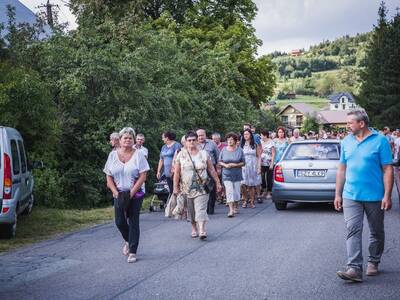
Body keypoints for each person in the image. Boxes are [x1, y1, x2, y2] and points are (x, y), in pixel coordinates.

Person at [335, 109, 393, 282]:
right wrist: (338, 193)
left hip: (375, 195)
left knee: (376, 231)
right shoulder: (346, 142)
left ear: (362, 123)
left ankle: (374, 261)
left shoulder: (380, 141)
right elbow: (342, 169)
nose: (347, 126)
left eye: (350, 123)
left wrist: (387, 195)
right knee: (353, 229)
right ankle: (354, 268)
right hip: (351, 194)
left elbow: (387, 169)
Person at [104, 127, 150, 263]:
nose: (128, 140)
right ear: (120, 139)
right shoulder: (112, 155)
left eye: (130, 138)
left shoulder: (139, 154)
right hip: (118, 193)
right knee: (119, 222)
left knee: (133, 220)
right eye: (125, 137)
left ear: (134, 140)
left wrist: (131, 192)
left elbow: (143, 176)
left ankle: (133, 251)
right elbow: (108, 177)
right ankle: (128, 240)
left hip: (135, 193)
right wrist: (115, 192)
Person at [173, 131, 222, 239]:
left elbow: (211, 169)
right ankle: (194, 228)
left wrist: (218, 182)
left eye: (193, 140)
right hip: (186, 188)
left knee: (201, 208)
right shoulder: (181, 154)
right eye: (189, 140)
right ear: (185, 142)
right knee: (191, 210)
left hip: (202, 187)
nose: (191, 142)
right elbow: (176, 173)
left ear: (197, 141)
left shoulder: (204, 153)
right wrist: (175, 187)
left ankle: (202, 229)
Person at [218, 132, 245, 217]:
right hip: (226, 174)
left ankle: (236, 204)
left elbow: (244, 162)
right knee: (229, 191)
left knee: (236, 192)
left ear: (235, 141)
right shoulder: (224, 150)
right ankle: (231, 210)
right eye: (228, 140)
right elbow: (219, 161)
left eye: (231, 140)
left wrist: (235, 165)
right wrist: (225, 165)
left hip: (237, 174)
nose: (229, 141)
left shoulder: (240, 150)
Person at [197, 129, 219, 215]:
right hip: (199, 169)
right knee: (200, 188)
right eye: (199, 135)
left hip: (211, 168)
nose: (200, 137)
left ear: (205, 135)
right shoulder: (194, 144)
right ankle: (202, 208)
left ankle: (211, 208)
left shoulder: (212, 143)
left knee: (211, 188)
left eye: (202, 135)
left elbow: (218, 156)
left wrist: (219, 168)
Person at [240, 129, 261, 208]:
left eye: (247, 134)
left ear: (250, 135)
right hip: (243, 166)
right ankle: (245, 199)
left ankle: (252, 201)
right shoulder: (241, 145)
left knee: (251, 185)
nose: (246, 136)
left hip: (253, 166)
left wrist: (259, 167)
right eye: (244, 134)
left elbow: (259, 157)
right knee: (242, 184)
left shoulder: (255, 144)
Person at [260, 129, 275, 199]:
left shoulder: (271, 142)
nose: (261, 136)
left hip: (269, 163)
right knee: (262, 177)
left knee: (269, 178)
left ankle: (269, 192)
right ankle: (264, 190)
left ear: (265, 135)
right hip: (262, 162)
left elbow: (273, 153)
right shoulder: (260, 142)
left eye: (261, 135)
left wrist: (272, 163)